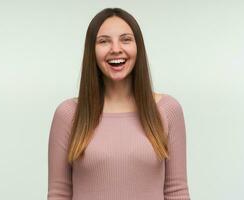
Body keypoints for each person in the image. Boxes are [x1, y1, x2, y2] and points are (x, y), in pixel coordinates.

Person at [48, 7, 191, 200]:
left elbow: (177, 192)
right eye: (104, 41)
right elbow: (59, 194)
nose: (116, 49)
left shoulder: (167, 110)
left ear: (137, 47)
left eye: (125, 39)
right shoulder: (68, 114)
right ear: (92, 51)